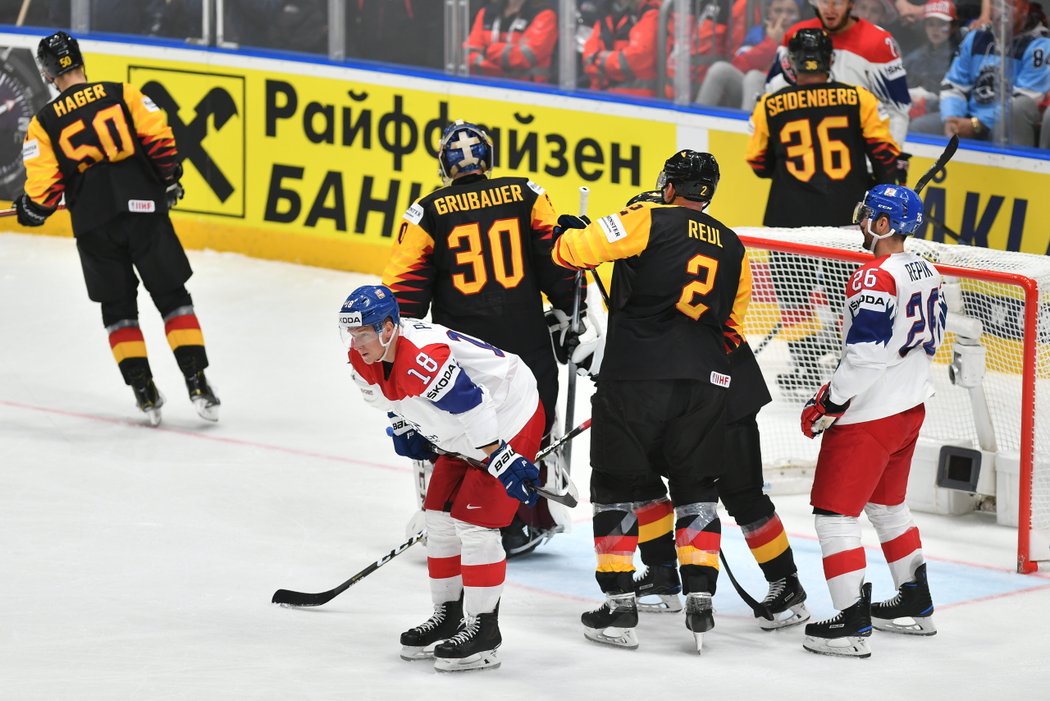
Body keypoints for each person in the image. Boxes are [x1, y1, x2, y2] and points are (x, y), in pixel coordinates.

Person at [551, 150, 750, 653]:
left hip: (636, 378)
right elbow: (733, 329)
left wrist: (569, 231)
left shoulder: (646, 219)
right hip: (706, 383)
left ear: (668, 186)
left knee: (616, 489)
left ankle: (620, 608)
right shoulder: (733, 245)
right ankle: (700, 596)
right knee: (696, 491)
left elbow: (574, 251)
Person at [382, 120, 592, 557]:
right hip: (525, 341)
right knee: (528, 429)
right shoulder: (528, 194)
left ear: (445, 165)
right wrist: (573, 310)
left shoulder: (426, 212)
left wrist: (400, 353)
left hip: (464, 350)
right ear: (489, 161)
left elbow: (402, 298)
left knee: (465, 431)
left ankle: (460, 520)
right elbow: (559, 263)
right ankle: (522, 522)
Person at [620, 189, 810, 631]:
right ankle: (665, 575)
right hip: (688, 389)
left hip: (721, 389)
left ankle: (786, 583)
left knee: (739, 493)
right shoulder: (675, 255)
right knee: (641, 476)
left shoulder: (657, 264)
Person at [15, 31, 219, 426]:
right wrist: (168, 179)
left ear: (46, 74)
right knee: (173, 297)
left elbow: (42, 196)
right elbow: (160, 141)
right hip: (143, 207)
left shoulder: (43, 124)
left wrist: (29, 208)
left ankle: (144, 392)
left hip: (93, 223)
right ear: (79, 62)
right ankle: (197, 382)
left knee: (118, 310)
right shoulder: (122, 93)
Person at [339, 284, 545, 672]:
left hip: (507, 411)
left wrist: (499, 457)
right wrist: (404, 425)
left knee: (476, 524)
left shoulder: (422, 355)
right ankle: (448, 616)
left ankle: (484, 631)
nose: (356, 342)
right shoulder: (363, 356)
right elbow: (390, 396)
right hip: (461, 427)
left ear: (387, 327)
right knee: (438, 518)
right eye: (351, 333)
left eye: (363, 332)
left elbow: (472, 402)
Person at [800, 183, 946, 658]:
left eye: (868, 215)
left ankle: (850, 624)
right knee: (887, 509)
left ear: (883, 225)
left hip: (869, 416)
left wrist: (830, 402)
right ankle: (914, 601)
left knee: (835, 515)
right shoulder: (927, 270)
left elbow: (864, 357)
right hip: (909, 410)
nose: (860, 221)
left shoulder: (875, 276)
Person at [747, 28, 901, 395]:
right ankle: (846, 362)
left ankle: (804, 361)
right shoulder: (858, 98)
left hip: (788, 215)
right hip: (847, 216)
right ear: (830, 61)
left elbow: (758, 163)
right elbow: (885, 155)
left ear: (792, 64)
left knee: (793, 294)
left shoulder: (770, 103)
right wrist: (879, 193)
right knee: (845, 292)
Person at [765, 0, 913, 148]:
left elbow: (897, 111)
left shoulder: (879, 43)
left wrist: (887, 161)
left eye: (837, 3)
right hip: (803, 154)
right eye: (824, 2)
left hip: (858, 154)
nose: (830, 10)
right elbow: (772, 95)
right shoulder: (796, 36)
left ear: (851, 4)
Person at [910, 0, 1050, 148]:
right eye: (997, 5)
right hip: (966, 117)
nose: (1001, 12)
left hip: (999, 125)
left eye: (1010, 6)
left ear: (1025, 9)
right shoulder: (976, 37)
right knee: (919, 128)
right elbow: (953, 84)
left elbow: (1026, 99)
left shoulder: (1040, 46)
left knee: (1010, 119)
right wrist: (952, 117)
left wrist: (978, 124)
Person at [695, 0, 803, 111]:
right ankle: (695, 121)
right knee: (720, 69)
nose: (784, 17)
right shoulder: (757, 33)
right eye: (778, 11)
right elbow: (738, 65)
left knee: (754, 77)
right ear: (769, 12)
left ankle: (748, 126)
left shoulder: (804, 37)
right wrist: (771, 43)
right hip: (751, 90)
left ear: (799, 15)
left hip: (787, 96)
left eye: (790, 12)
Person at [466, 0, 558, 84]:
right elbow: (469, 53)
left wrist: (487, 52)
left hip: (529, 92)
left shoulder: (545, 15)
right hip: (485, 87)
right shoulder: (486, 12)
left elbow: (524, 57)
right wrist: (502, 66)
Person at [581, 0, 661, 97]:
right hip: (600, 96)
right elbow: (588, 54)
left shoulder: (652, 13)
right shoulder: (607, 11)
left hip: (639, 101)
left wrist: (598, 60)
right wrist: (603, 63)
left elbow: (635, 60)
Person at [903, 0, 962, 123]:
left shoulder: (958, 57)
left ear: (953, 27)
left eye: (942, 24)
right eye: (931, 24)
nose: (935, 29)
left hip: (942, 115)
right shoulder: (914, 57)